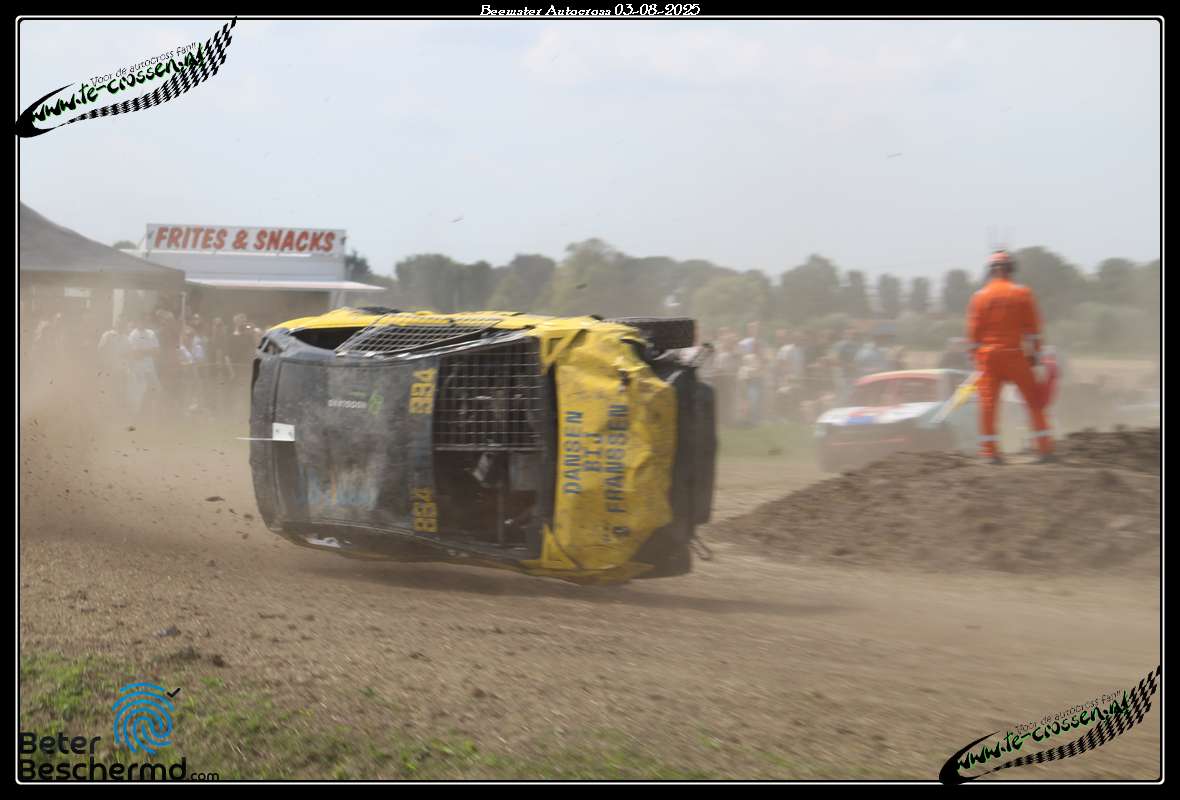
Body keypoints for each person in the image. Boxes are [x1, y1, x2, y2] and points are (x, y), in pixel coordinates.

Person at [966, 250, 1055, 464]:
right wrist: (1036, 357)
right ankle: (1044, 449)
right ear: (1011, 269)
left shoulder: (979, 297)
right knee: (1033, 401)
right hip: (1014, 355)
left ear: (991, 271)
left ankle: (989, 453)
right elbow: (1033, 331)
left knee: (988, 405)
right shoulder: (1022, 293)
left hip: (988, 358)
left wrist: (976, 359)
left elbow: (974, 334)